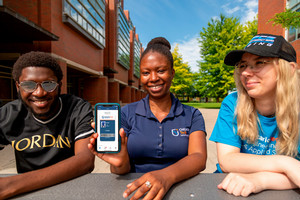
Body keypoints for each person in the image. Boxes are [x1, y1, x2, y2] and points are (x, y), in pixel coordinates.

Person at [89, 37, 207, 200]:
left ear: (172, 73)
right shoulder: (126, 113)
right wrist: (119, 161)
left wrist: (165, 177)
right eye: (146, 73)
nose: (153, 78)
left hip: (182, 190)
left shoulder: (192, 114)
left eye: (160, 71)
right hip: (136, 192)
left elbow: (199, 158)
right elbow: (120, 170)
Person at [209, 33, 300, 197]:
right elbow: (228, 160)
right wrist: (285, 163)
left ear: (289, 69)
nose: (245, 73)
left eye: (259, 63)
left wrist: (262, 180)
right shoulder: (232, 103)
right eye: (243, 65)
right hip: (227, 187)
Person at [0, 51, 95, 199]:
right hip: (28, 194)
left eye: (49, 84)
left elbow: (85, 161)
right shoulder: (8, 114)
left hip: (72, 190)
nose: (39, 92)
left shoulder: (77, 108)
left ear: (59, 86)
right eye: (29, 85)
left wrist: (10, 185)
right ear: (18, 87)